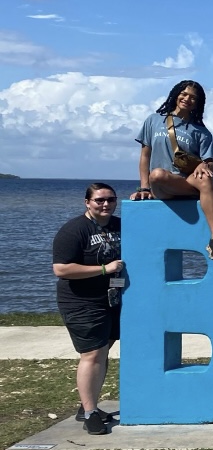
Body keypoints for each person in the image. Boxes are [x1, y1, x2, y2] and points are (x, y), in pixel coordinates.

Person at [129, 80, 213, 261]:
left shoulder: (201, 131)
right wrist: (144, 188)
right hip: (163, 184)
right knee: (158, 174)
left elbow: (212, 165)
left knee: (206, 178)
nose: (187, 99)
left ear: (198, 103)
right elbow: (145, 156)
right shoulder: (153, 120)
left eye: (193, 97)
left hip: (186, 181)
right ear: (176, 94)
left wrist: (203, 165)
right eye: (184, 94)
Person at [52, 183, 124, 436]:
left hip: (112, 299)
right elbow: (61, 269)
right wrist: (104, 269)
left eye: (111, 200)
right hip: (81, 301)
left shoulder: (119, 225)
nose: (106, 204)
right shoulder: (74, 230)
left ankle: (86, 406)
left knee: (103, 351)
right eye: (99, 200)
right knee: (92, 354)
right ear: (87, 202)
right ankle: (91, 413)